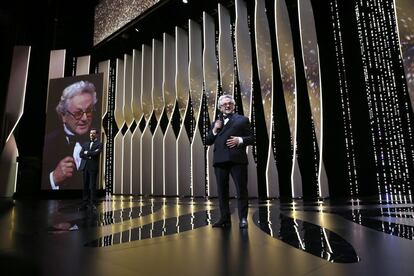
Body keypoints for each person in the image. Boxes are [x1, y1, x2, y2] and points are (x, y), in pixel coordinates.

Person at [205, 94, 254, 229]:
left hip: (237, 159)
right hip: (220, 161)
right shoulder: (216, 122)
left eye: (230, 103)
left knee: (241, 190)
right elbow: (208, 141)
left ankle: (243, 219)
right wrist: (214, 130)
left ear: (233, 105)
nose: (227, 106)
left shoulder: (242, 120)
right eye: (224, 104)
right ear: (220, 107)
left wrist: (240, 140)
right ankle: (224, 218)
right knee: (222, 191)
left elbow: (252, 138)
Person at [41, 80, 98, 190]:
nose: (85, 119)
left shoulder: (101, 139)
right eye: (78, 113)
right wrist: (53, 178)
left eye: (89, 111)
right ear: (63, 115)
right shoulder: (46, 143)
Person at [79, 128, 102, 210]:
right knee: (85, 185)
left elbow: (96, 153)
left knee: (92, 186)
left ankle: (93, 203)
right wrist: (89, 154)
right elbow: (81, 154)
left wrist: (87, 153)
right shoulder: (85, 144)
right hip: (85, 167)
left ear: (97, 135)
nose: (91, 135)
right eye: (90, 133)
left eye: (93, 133)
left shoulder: (99, 144)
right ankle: (85, 203)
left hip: (93, 167)